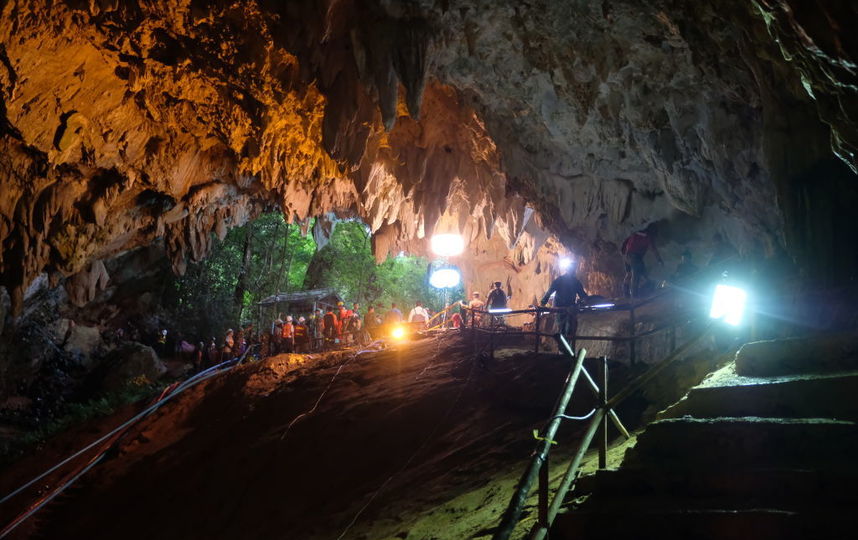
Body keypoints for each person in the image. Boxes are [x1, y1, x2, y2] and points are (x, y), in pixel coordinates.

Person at [541, 265, 588, 348]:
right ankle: (562, 348)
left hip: (569, 308)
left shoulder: (575, 282)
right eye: (572, 270)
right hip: (560, 308)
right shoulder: (561, 280)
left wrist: (586, 300)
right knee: (562, 328)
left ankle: (565, 348)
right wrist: (543, 302)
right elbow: (550, 291)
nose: (573, 272)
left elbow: (582, 294)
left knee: (569, 328)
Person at [621, 226, 663, 298]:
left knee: (629, 274)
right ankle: (635, 295)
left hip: (627, 255)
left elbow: (626, 243)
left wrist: (625, 255)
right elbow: (654, 250)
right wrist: (659, 260)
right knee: (637, 275)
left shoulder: (636, 234)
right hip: (635, 257)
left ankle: (626, 293)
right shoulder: (648, 237)